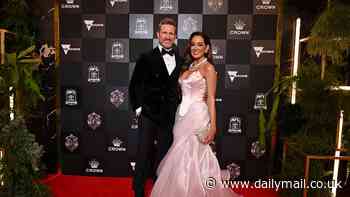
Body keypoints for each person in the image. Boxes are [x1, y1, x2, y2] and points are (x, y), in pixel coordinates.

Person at [150, 32, 242, 197]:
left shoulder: (209, 68)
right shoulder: (189, 66)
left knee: (193, 156)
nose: (196, 47)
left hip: (198, 115)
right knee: (181, 156)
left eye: (200, 44)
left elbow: (211, 99)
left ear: (207, 48)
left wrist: (212, 127)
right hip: (181, 116)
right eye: (193, 44)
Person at [129, 17, 184, 197]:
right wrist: (139, 108)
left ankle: (161, 190)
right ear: (158, 35)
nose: (168, 36)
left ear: (175, 36)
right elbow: (135, 84)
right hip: (149, 114)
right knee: (143, 153)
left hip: (169, 115)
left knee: (163, 154)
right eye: (164, 33)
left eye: (171, 33)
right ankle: (138, 190)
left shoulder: (181, 59)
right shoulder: (146, 58)